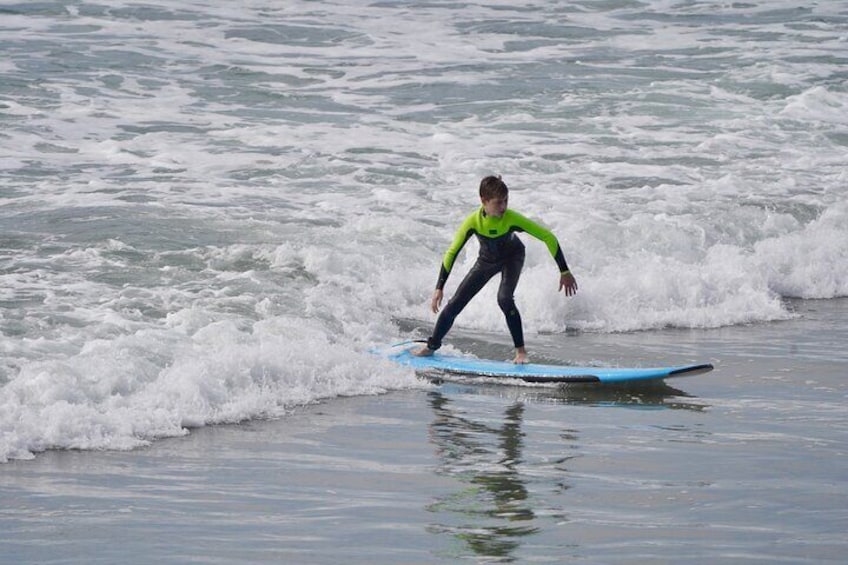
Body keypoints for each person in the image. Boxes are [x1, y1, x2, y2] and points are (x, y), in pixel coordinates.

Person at [415, 175, 578, 364]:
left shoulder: (511, 218)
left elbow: (548, 237)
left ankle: (521, 352)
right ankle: (432, 346)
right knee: (454, 305)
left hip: (512, 257)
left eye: (506, 201)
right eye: (499, 203)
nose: (504, 207)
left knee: (504, 299)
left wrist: (564, 271)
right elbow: (452, 252)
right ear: (483, 201)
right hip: (486, 261)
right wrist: (439, 287)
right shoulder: (473, 222)